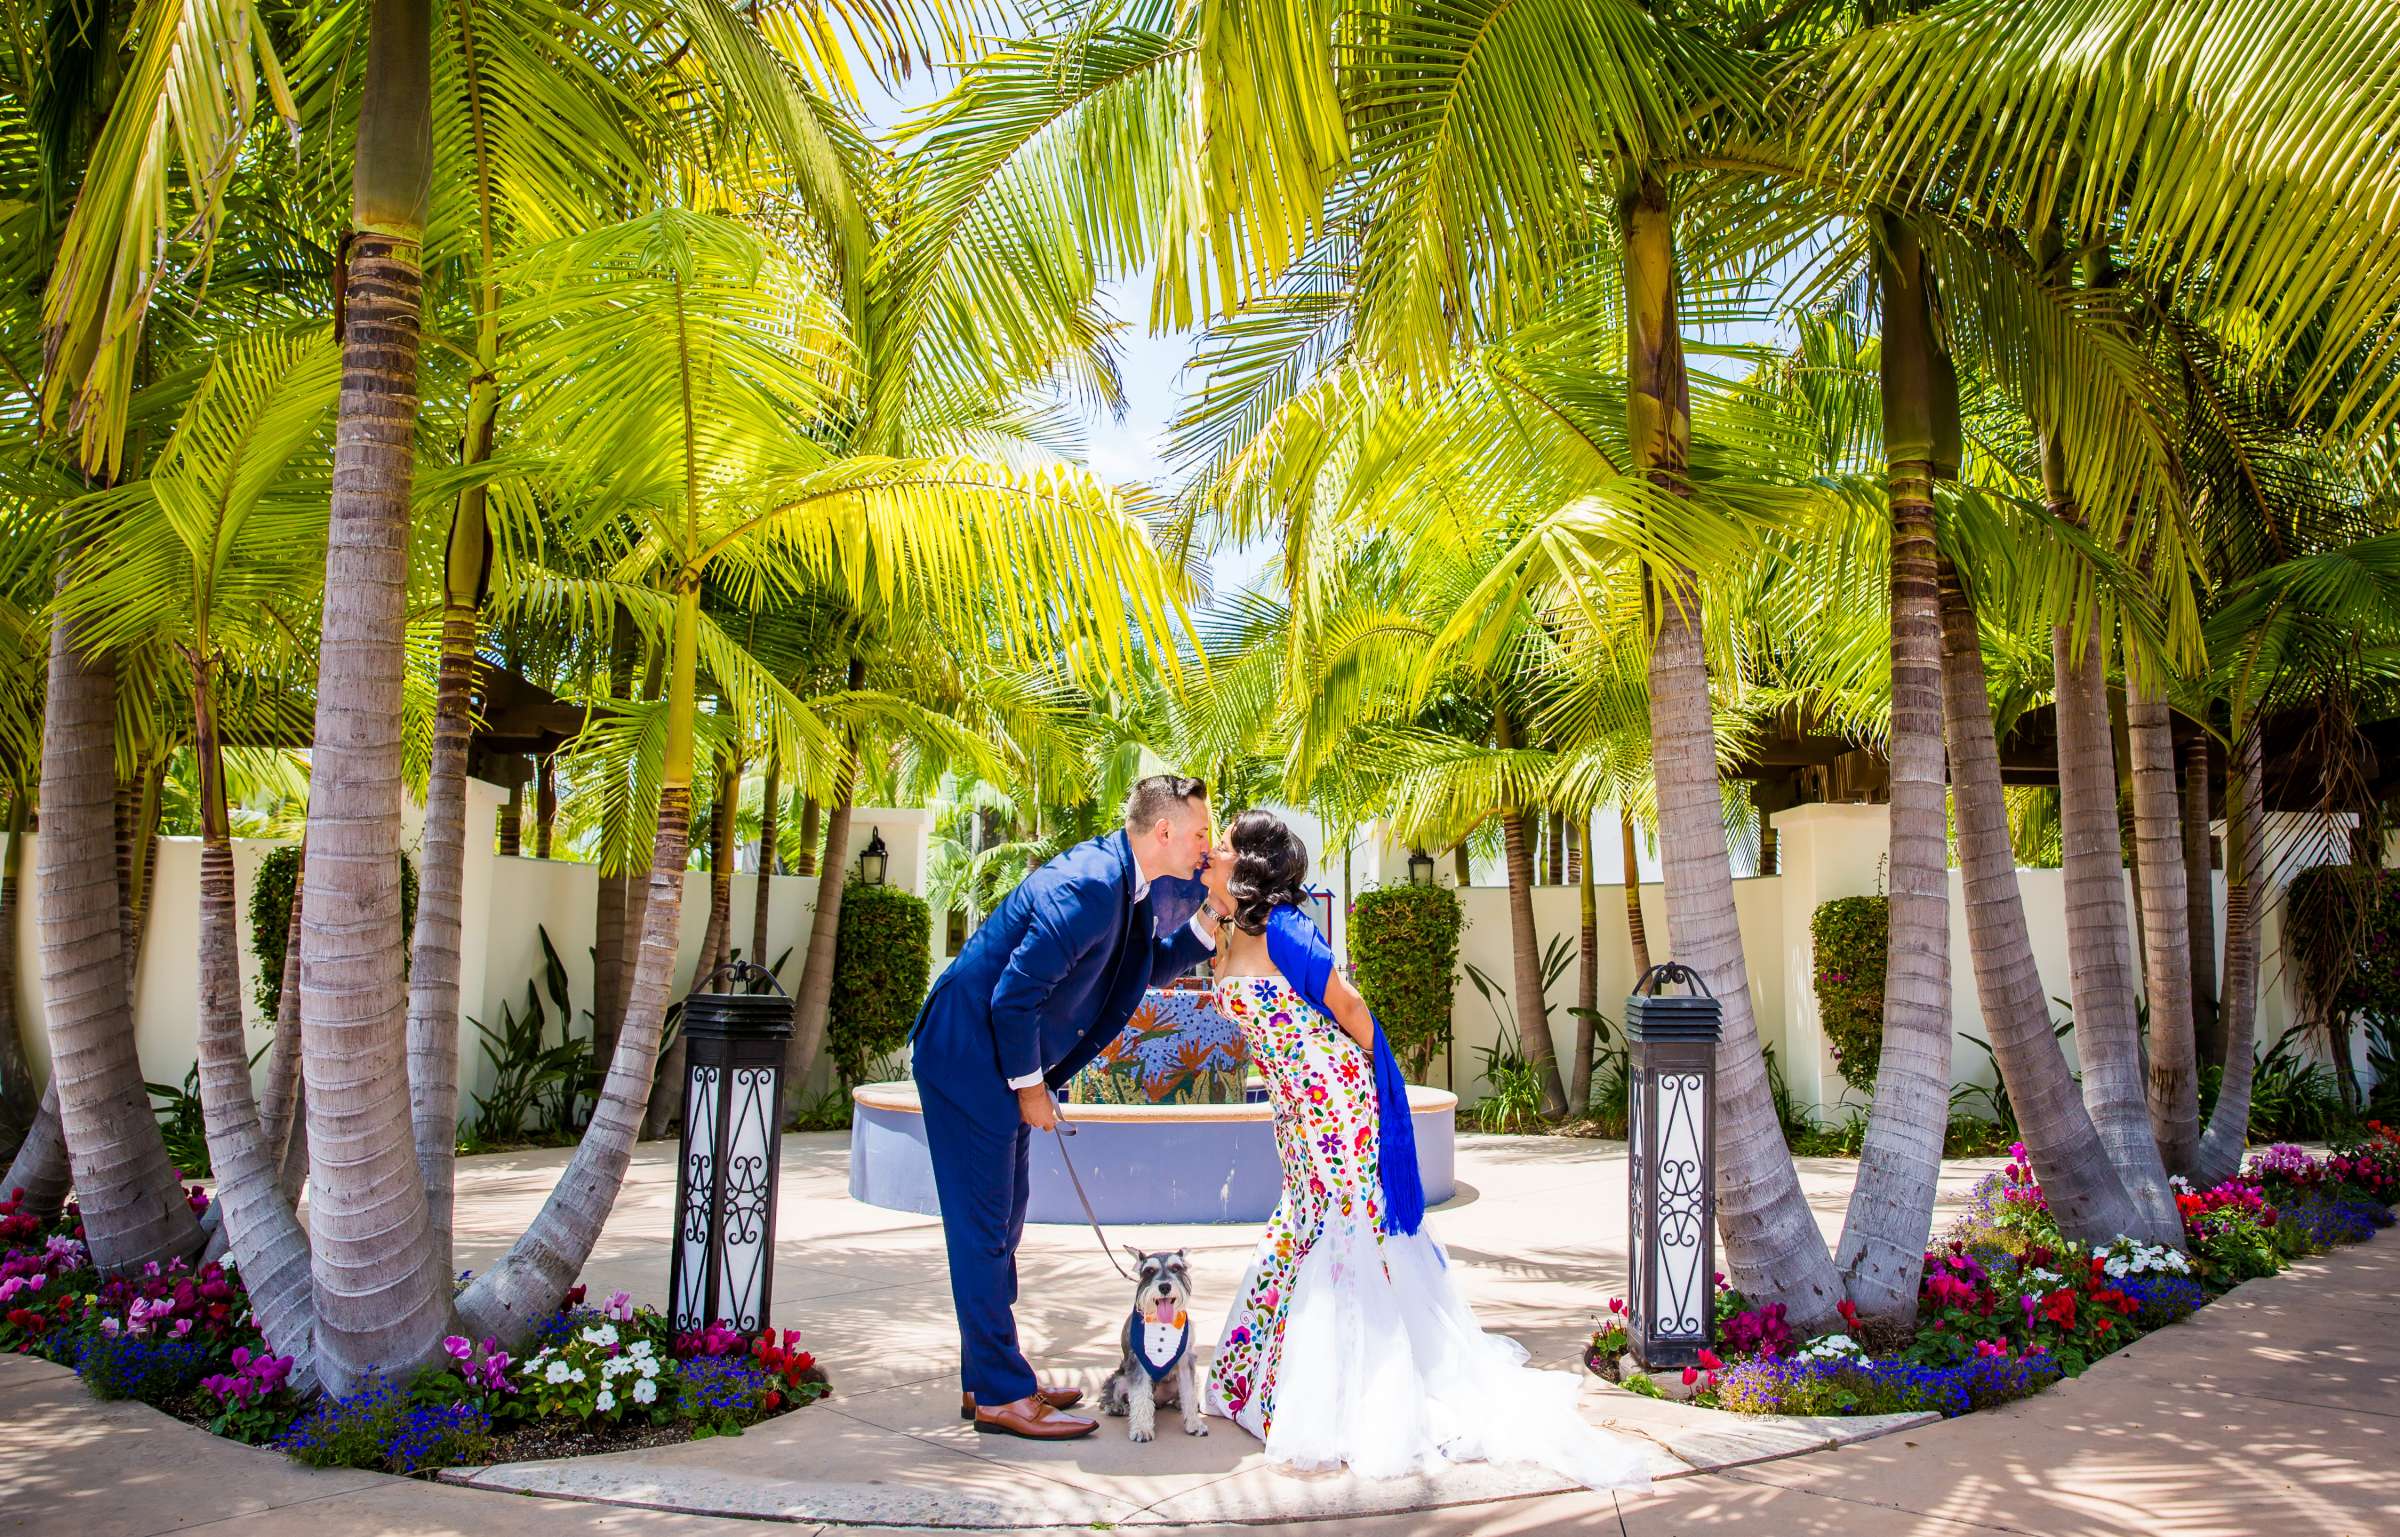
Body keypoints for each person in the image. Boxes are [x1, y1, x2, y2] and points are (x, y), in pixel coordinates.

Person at [1197, 809, 1652, 1489]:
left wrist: (1361, 1099)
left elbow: (1352, 1013)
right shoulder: (1227, 931)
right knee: (1307, 1220)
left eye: (1225, 844)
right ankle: (1266, 1384)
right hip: (1294, 1110)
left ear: (1252, 864)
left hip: (1334, 1102)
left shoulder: (1286, 929)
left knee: (1349, 1228)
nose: (1214, 850)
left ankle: (1353, 1394)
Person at [908, 775, 1229, 1440]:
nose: (1206, 844)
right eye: (1200, 832)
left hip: (995, 1063)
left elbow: (1144, 968)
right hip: (970, 1059)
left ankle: (993, 1374)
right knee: (984, 1229)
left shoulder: (1127, 883)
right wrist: (1031, 1087)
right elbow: (1012, 997)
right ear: (1165, 831)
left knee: (1005, 1218)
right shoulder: (1091, 885)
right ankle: (999, 1393)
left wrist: (1212, 916)